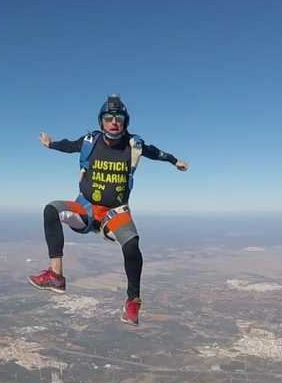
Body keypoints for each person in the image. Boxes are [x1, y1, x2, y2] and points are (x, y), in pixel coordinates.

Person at [28, 94, 188, 326]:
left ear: (125, 121)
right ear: (101, 121)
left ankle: (133, 301)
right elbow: (70, 145)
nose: (114, 122)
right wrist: (51, 144)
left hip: (115, 213)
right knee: (51, 210)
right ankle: (56, 276)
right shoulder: (90, 141)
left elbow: (155, 152)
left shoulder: (134, 145)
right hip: (86, 207)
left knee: (132, 243)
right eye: (109, 117)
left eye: (119, 117)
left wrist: (174, 161)